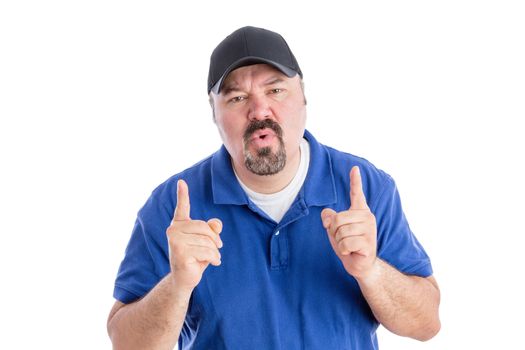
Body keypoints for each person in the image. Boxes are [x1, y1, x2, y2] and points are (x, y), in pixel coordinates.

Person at [107, 26, 441, 349]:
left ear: (304, 96)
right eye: (237, 97)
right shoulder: (172, 205)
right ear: (214, 112)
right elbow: (125, 343)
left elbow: (426, 324)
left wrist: (371, 271)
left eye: (275, 90)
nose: (259, 110)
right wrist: (177, 286)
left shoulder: (366, 187)